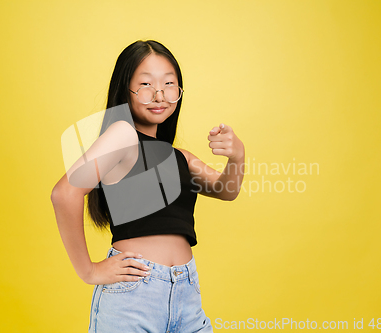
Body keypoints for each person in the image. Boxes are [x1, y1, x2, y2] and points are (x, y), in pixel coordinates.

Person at [51, 40, 245, 332]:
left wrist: (237, 155)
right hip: (135, 295)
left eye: (169, 84)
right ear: (125, 89)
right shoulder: (122, 134)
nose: (159, 95)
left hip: (186, 293)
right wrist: (88, 271)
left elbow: (225, 189)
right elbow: (64, 192)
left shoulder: (179, 157)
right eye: (145, 84)